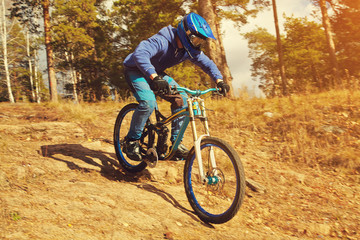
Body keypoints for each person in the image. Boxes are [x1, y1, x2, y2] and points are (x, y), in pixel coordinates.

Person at [122, 12, 230, 161]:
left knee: (182, 99)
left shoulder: (189, 50)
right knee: (148, 102)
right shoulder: (162, 40)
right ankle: (131, 141)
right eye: (196, 39)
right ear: (185, 32)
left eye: (200, 41)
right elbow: (140, 54)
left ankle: (176, 144)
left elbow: (208, 64)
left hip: (157, 73)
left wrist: (219, 80)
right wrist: (154, 77)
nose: (197, 43)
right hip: (135, 69)